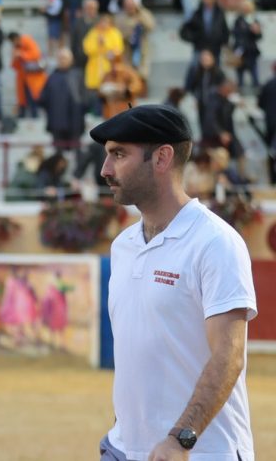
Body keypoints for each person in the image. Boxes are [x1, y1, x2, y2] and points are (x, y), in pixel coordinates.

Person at [92, 105, 256, 461]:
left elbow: (229, 356)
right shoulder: (123, 246)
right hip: (124, 450)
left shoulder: (215, 242)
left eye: (118, 154)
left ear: (162, 158)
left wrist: (181, 439)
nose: (105, 170)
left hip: (200, 452)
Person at [9, 31, 47, 119]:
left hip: (32, 77)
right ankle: (22, 116)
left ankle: (35, 116)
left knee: (33, 98)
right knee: (23, 99)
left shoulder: (28, 41)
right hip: (23, 77)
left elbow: (36, 54)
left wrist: (21, 54)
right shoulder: (16, 48)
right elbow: (14, 66)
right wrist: (15, 56)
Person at [231, 0, 263, 89]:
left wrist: (256, 31)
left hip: (251, 50)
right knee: (240, 72)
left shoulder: (254, 19)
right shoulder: (238, 20)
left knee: (254, 71)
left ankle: (256, 87)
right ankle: (240, 88)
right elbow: (235, 33)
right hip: (241, 50)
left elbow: (259, 37)